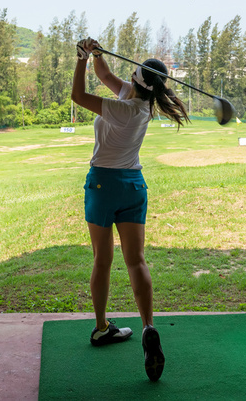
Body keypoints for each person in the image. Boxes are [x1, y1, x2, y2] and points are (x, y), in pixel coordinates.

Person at [71, 38, 189, 382]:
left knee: (102, 260)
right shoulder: (141, 104)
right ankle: (148, 326)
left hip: (103, 185)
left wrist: (80, 60)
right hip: (133, 186)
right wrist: (95, 55)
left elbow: (79, 97)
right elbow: (105, 73)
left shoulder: (124, 108)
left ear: (137, 78)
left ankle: (101, 327)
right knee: (136, 260)